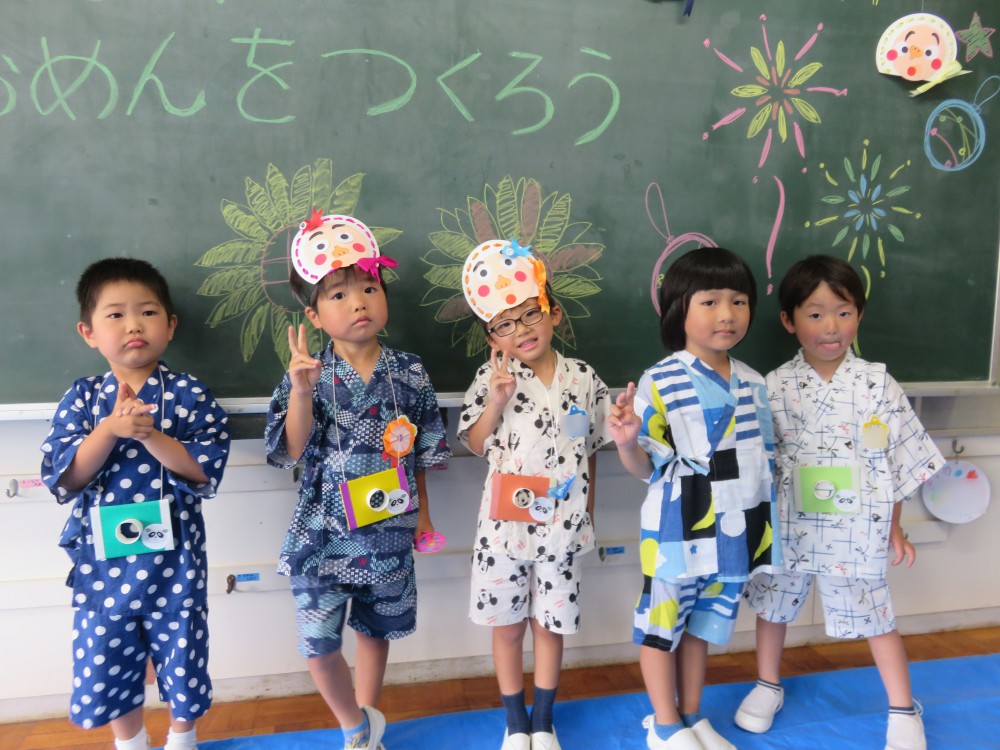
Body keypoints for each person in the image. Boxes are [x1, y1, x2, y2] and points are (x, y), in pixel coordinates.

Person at [735, 255, 943, 750]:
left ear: (859, 315)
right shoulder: (773, 386)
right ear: (789, 320)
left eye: (843, 311)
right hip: (789, 520)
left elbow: (898, 462)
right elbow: (758, 464)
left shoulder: (877, 383)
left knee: (875, 608)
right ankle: (767, 683)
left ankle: (901, 707)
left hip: (856, 521)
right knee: (774, 604)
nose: (831, 326)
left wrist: (895, 528)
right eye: (815, 313)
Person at [264, 211, 450, 750]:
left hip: (391, 526)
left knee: (376, 630)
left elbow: (420, 452)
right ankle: (353, 723)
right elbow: (289, 450)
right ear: (315, 315)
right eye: (339, 295)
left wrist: (426, 517)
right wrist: (301, 392)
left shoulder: (409, 371)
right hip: (323, 534)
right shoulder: (308, 372)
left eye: (369, 288)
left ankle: (368, 727)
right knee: (318, 644)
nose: (359, 302)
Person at [40, 258, 231, 750]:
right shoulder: (83, 399)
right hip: (103, 559)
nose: (132, 326)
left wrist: (151, 436)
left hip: (176, 558)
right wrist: (109, 429)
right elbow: (66, 476)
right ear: (88, 332)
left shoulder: (189, 394)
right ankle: (129, 741)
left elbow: (203, 469)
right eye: (115, 315)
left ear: (170, 326)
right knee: (107, 650)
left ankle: (182, 737)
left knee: (182, 647)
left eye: (147, 312)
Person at [608, 247, 779, 750]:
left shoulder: (754, 381)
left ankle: (691, 713)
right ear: (679, 308)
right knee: (662, 627)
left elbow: (762, 460)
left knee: (703, 627)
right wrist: (625, 441)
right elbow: (646, 466)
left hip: (736, 530)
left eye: (739, 301)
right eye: (710, 301)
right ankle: (664, 725)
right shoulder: (661, 380)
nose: (727, 314)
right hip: (677, 530)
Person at [457, 238, 610, 750]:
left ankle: (543, 722)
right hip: (503, 527)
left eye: (529, 315)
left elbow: (592, 446)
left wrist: (588, 511)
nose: (520, 330)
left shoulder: (584, 378)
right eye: (504, 323)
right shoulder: (491, 378)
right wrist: (496, 403)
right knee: (507, 625)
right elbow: (476, 444)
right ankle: (514, 724)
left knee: (551, 623)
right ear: (491, 336)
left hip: (562, 525)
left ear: (554, 314)